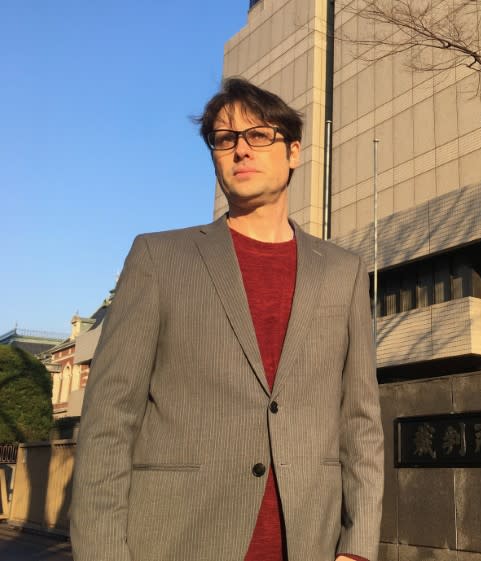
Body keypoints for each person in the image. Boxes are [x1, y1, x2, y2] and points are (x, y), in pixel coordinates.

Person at [70, 78, 383, 561]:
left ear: (293, 151)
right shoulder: (159, 257)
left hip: (309, 542)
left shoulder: (344, 271)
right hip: (178, 538)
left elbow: (360, 420)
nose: (240, 150)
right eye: (225, 139)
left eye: (258, 135)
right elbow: (110, 419)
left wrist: (358, 547)